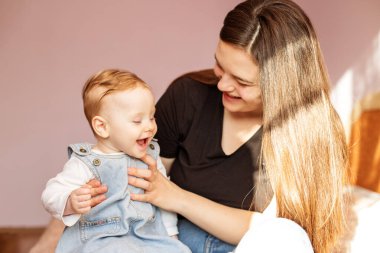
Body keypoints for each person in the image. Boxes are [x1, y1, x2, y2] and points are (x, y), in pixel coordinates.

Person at [31, 0, 348, 253]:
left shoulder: (310, 134)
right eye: (219, 65)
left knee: (286, 237)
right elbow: (113, 172)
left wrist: (176, 197)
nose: (222, 83)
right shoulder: (189, 96)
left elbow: (274, 231)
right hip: (169, 240)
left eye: (241, 81)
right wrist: (51, 240)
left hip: (241, 246)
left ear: (284, 85)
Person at [40, 69, 191, 253]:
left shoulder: (151, 158)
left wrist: (171, 236)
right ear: (102, 127)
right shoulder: (87, 163)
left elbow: (163, 201)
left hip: (148, 237)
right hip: (100, 240)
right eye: (137, 121)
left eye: (152, 117)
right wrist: (70, 202)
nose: (150, 126)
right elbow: (51, 194)